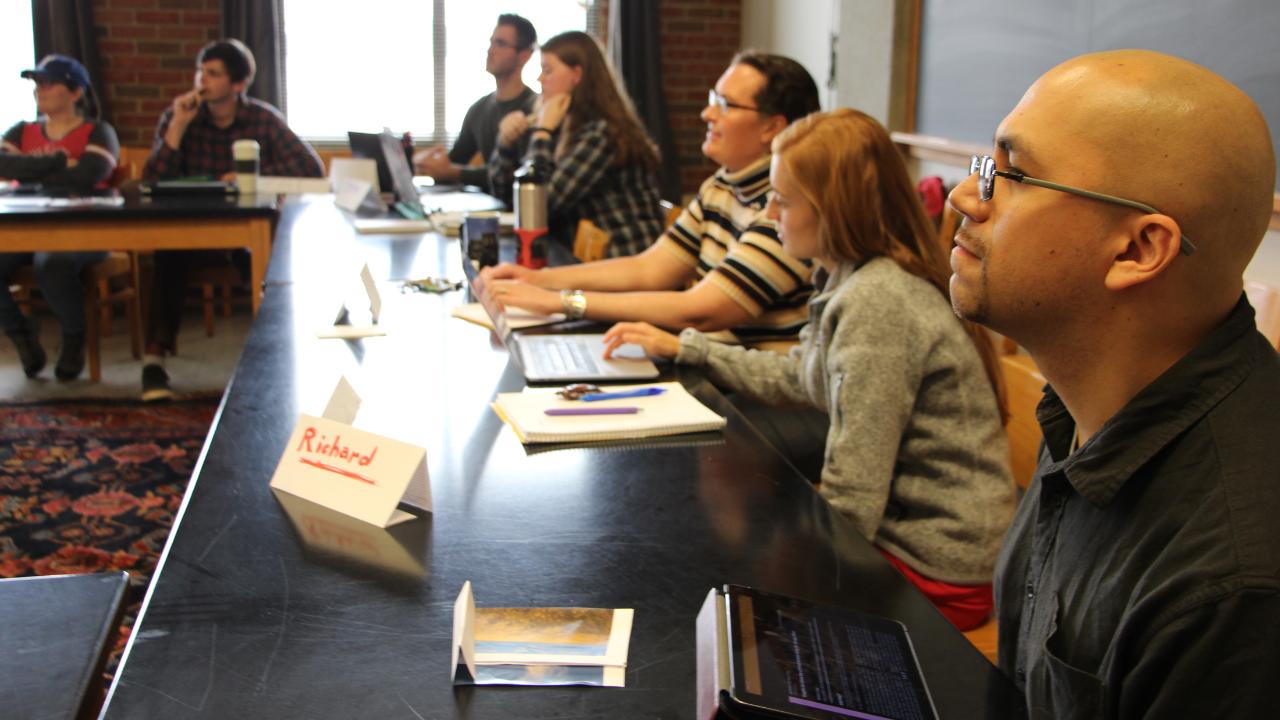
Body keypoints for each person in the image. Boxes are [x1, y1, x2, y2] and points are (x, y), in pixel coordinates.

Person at [947, 50, 1279, 716]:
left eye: (1013, 174)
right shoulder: (1082, 410)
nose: (964, 196)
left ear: (1136, 250)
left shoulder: (1232, 583)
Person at [603, 109, 1016, 630]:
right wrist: (689, 348)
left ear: (832, 211)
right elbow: (798, 376)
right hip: (900, 540)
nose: (770, 212)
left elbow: (855, 494)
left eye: (784, 199)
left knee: (713, 572)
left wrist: (792, 580)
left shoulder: (879, 301)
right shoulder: (850, 275)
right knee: (725, 548)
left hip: (931, 567)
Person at [483, 52, 820, 349]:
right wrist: (537, 280)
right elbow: (650, 267)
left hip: (752, 396)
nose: (707, 113)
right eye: (713, 98)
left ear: (771, 128)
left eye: (725, 105)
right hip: (711, 363)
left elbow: (700, 311)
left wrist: (560, 301)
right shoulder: (723, 184)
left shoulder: (785, 207)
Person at [141, 39, 323, 401]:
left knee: (265, 262)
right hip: (192, 231)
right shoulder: (180, 116)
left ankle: (275, 359)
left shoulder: (261, 118)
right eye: (200, 71)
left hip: (246, 230)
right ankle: (153, 362)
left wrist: (250, 177)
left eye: (212, 74)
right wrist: (177, 127)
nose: (201, 80)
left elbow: (310, 167)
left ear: (238, 84)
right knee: (169, 254)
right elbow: (152, 180)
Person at [487, 30, 665, 258]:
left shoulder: (601, 132)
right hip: (581, 259)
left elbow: (541, 206)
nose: (540, 80)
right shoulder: (565, 126)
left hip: (624, 265)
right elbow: (509, 199)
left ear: (576, 75)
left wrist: (542, 132)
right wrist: (506, 144)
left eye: (548, 71)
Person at [0, 54, 120, 380]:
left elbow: (89, 175)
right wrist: (59, 163)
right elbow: (2, 165)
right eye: (36, 84)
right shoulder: (20, 131)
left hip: (84, 229)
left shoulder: (99, 131)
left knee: (50, 262)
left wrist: (27, 172)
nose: (39, 90)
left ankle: (73, 337)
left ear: (75, 92)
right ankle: (19, 330)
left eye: (48, 83)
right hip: (24, 228)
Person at [413, 14, 537, 192]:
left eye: (500, 44)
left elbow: (518, 173)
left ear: (524, 55)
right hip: (485, 207)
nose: (490, 50)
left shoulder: (534, 109)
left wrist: (453, 172)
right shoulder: (479, 109)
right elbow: (455, 162)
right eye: (491, 42)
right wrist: (431, 163)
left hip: (517, 211)